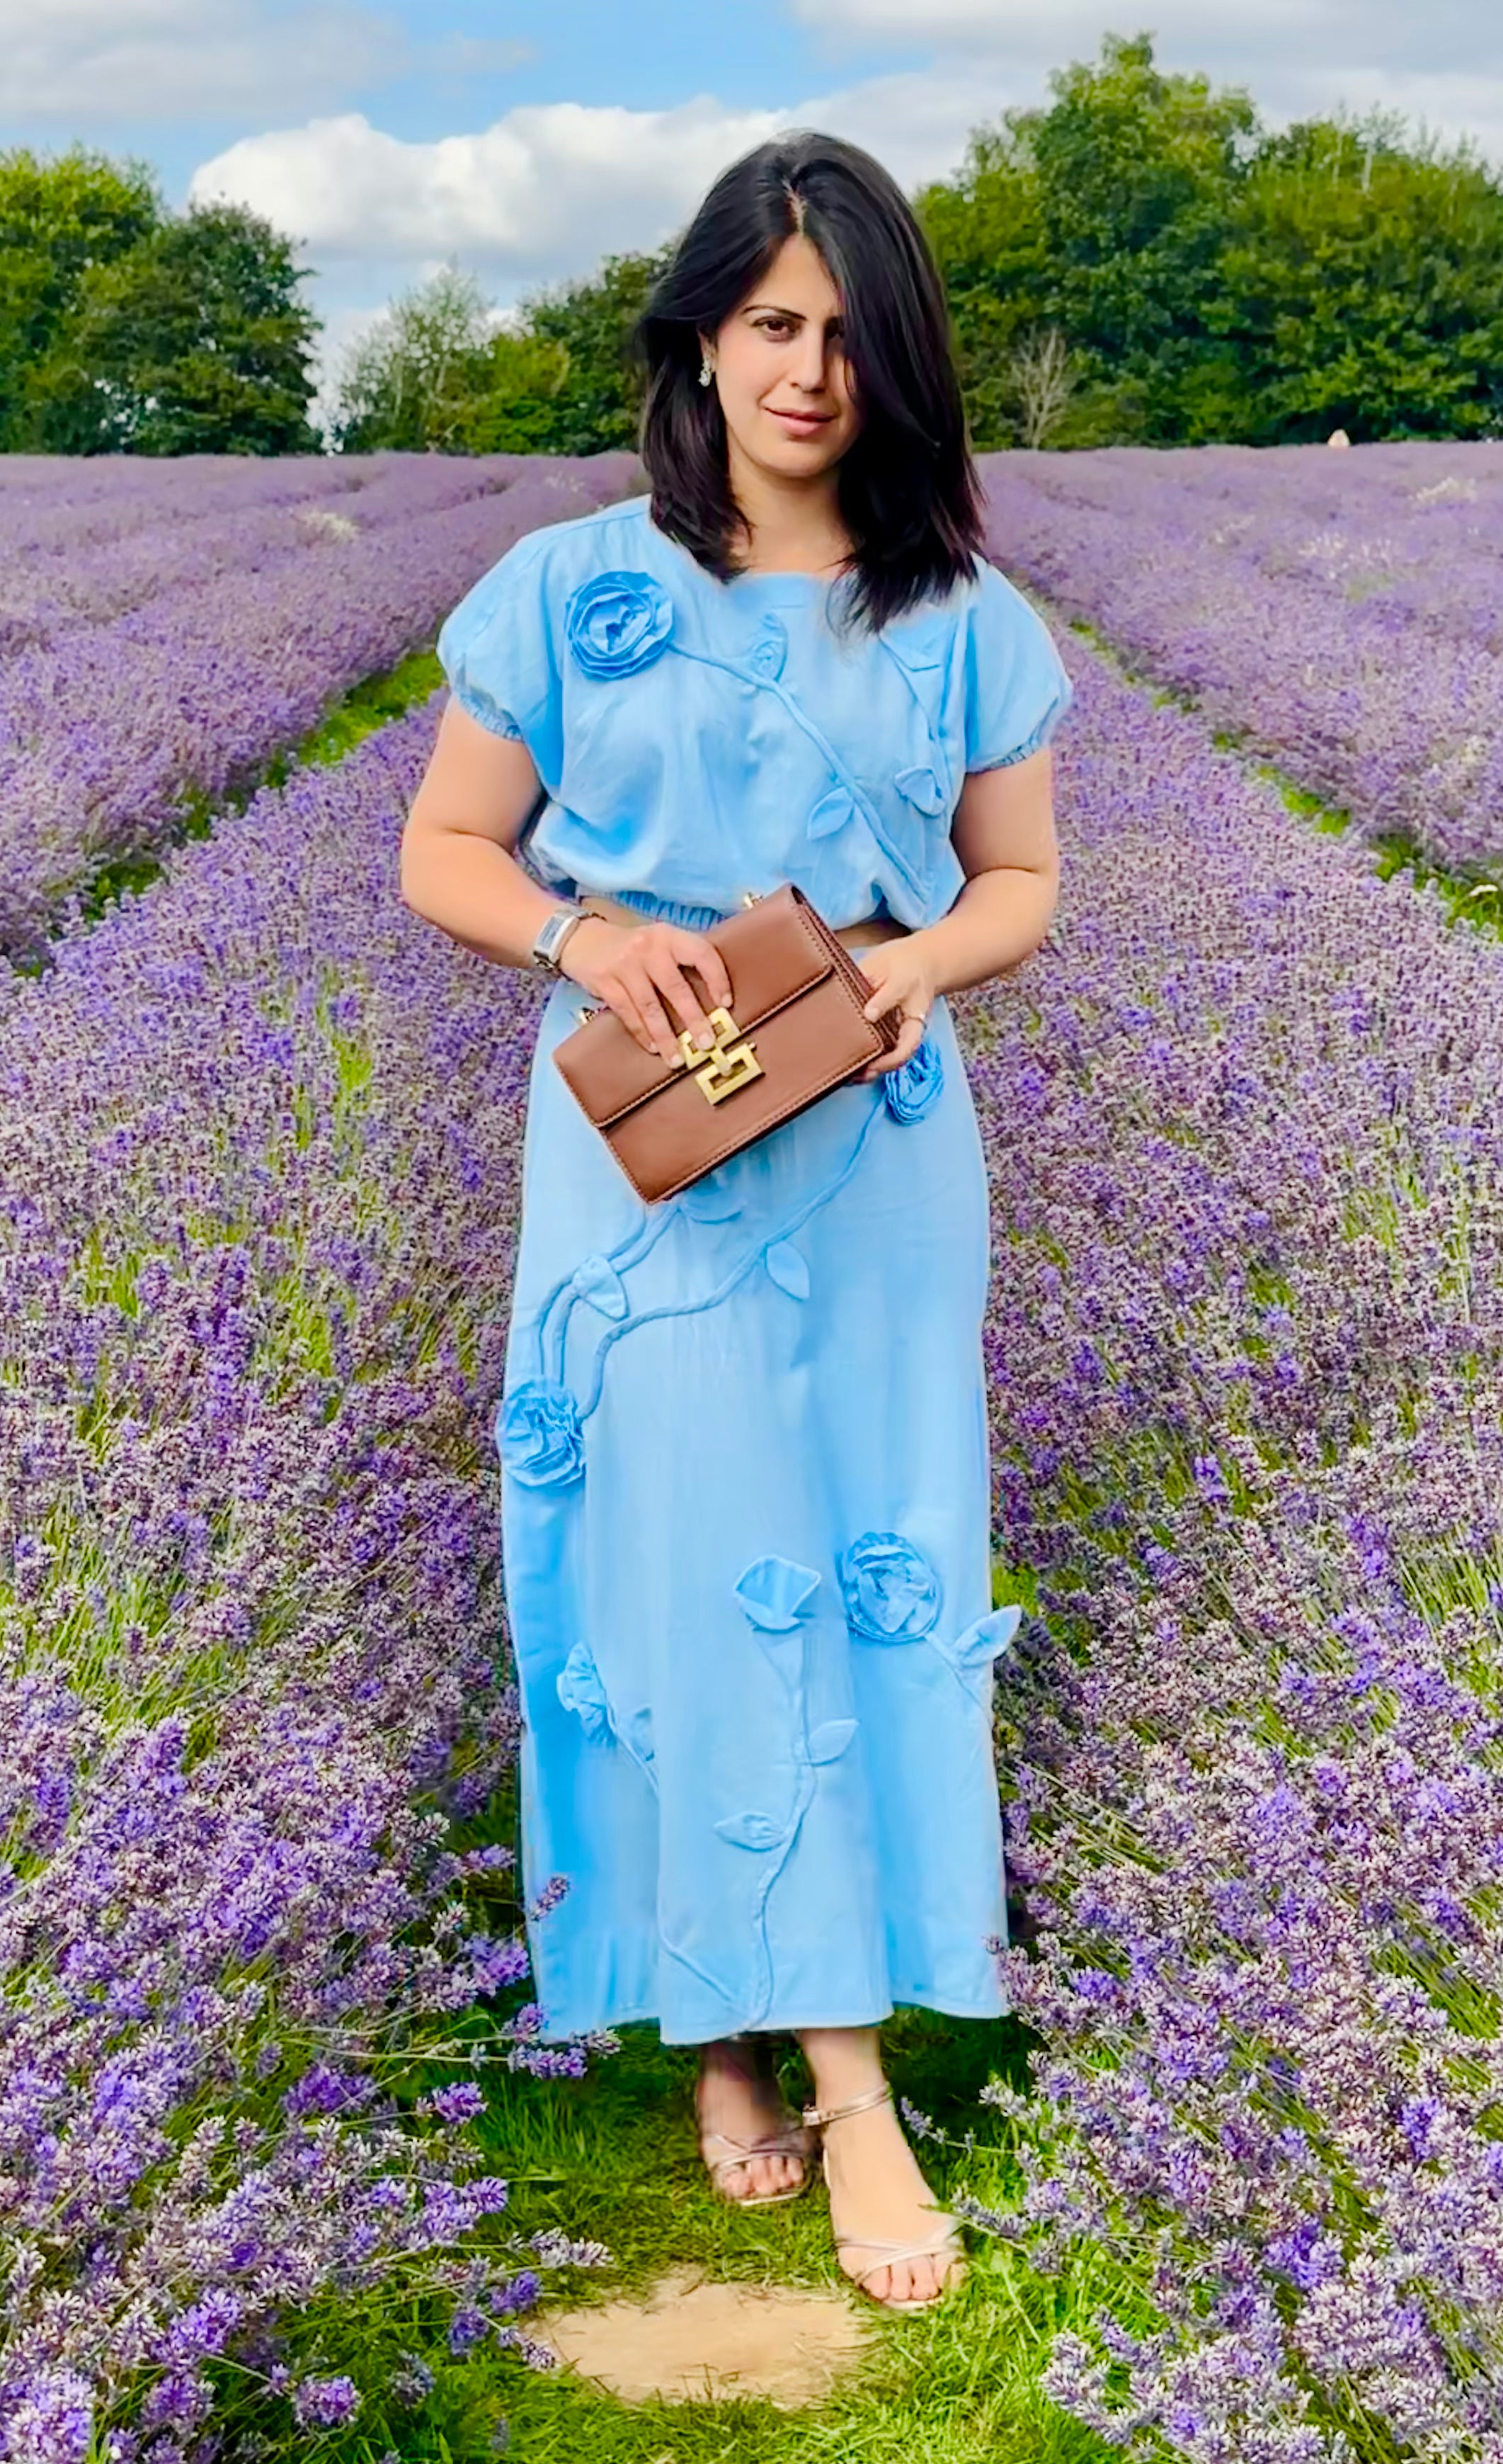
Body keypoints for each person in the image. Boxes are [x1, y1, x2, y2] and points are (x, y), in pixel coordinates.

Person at [399, 129, 1073, 2310]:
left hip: (871, 1135)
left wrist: (916, 968)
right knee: (680, 1564)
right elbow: (445, 853)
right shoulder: (568, 588)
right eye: (772, 324)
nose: (808, 372)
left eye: (849, 335)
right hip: (641, 1145)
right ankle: (754, 2039)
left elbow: (1020, 885)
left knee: (871, 1555)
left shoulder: (960, 614)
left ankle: (815, 2060)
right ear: (699, 335)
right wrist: (583, 940)